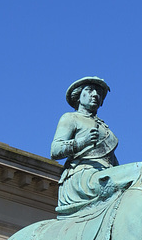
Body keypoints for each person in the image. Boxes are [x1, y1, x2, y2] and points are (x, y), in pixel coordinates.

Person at [51, 76, 132, 215]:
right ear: (78, 96)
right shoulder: (71, 118)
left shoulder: (104, 126)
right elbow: (55, 150)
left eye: (99, 92)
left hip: (104, 174)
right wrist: (83, 141)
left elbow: (111, 160)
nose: (95, 94)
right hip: (83, 176)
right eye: (89, 90)